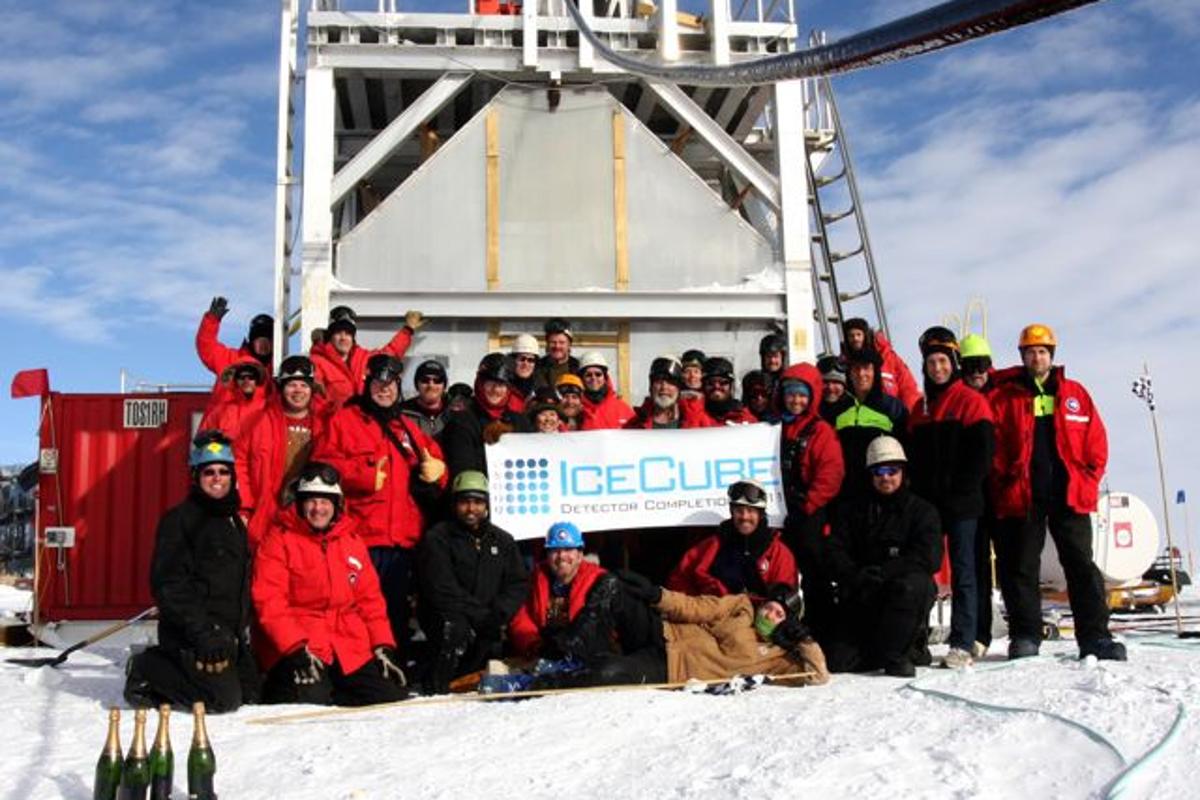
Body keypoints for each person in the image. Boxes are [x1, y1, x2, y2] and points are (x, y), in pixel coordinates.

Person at [989, 324, 1123, 661]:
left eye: (1043, 351)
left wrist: (1089, 480)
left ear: (1052, 355)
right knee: (1022, 567)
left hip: (1069, 496)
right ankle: (1025, 636)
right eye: (1031, 351)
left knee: (1081, 565)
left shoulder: (1076, 394)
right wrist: (1004, 478)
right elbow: (993, 445)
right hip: (1024, 496)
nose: (1037, 357)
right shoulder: (1005, 397)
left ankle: (1095, 638)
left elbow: (1097, 443)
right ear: (1022, 356)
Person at [315, 354, 448, 649]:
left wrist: (438, 472)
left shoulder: (406, 427)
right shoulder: (344, 420)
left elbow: (436, 458)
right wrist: (362, 476)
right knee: (358, 611)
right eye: (378, 383)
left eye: (391, 384)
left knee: (395, 613)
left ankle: (393, 667)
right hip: (361, 538)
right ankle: (359, 668)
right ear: (367, 384)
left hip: (402, 541)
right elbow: (322, 467)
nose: (384, 390)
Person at [123, 431, 259, 713]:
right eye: (209, 472)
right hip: (193, 634)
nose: (217, 478)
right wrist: (203, 631)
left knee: (253, 693)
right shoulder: (180, 521)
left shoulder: (234, 520)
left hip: (227, 635)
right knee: (223, 701)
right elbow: (169, 585)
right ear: (196, 476)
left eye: (224, 471)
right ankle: (148, 668)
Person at [252, 463, 408, 706]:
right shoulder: (279, 540)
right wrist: (294, 648)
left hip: (348, 642)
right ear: (300, 503)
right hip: (303, 645)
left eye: (326, 502)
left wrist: (382, 645)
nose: (318, 509)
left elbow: (370, 601)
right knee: (310, 703)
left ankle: (336, 685)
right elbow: (270, 602)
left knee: (389, 695)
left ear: (336, 506)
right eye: (311, 501)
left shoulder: (351, 541)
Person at [906, 327, 995, 668]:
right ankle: (916, 639)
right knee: (922, 570)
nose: (937, 368)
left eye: (943, 360)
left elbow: (981, 455)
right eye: (931, 361)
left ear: (954, 363)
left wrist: (961, 491)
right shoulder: (921, 408)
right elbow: (913, 456)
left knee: (964, 572)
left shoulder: (971, 402)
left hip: (962, 505)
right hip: (929, 506)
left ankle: (962, 642)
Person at [823, 436, 943, 677]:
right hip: (864, 592)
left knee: (913, 586)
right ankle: (888, 648)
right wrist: (854, 574)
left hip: (901, 593)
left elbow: (929, 556)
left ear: (902, 471)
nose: (885, 477)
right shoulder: (853, 511)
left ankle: (899, 651)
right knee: (838, 661)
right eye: (879, 471)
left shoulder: (922, 511)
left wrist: (889, 572)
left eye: (892, 470)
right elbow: (835, 549)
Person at [417, 471, 529, 693]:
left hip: (490, 619)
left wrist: (500, 612)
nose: (471, 509)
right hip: (451, 618)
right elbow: (441, 587)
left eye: (477, 502)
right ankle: (438, 684)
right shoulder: (438, 538)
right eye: (464, 502)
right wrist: (479, 615)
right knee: (454, 631)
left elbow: (517, 582)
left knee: (491, 653)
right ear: (454, 504)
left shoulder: (502, 540)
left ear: (486, 505)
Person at [777, 363, 844, 644]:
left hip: (808, 514)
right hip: (778, 514)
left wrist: (808, 504)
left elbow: (832, 472)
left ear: (812, 397)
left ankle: (825, 632)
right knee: (781, 576)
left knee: (815, 577)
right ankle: (783, 629)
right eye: (791, 394)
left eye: (802, 395)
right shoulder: (772, 428)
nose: (796, 401)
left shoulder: (820, 431)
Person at [234, 355, 330, 550]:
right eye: (291, 385)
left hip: (309, 515)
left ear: (312, 389)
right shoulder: (259, 422)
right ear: (281, 388)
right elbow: (239, 462)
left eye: (303, 385)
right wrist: (245, 508)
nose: (298, 391)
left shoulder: (325, 425)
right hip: (267, 516)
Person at [666, 480, 797, 600]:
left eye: (751, 511)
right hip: (711, 615)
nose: (745, 516)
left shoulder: (778, 553)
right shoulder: (713, 545)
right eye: (739, 510)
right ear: (732, 512)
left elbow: (784, 600)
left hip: (758, 620)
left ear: (761, 514)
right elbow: (680, 578)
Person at [508, 522, 616, 660]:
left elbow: (607, 625)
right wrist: (533, 645)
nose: (561, 556)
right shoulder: (535, 578)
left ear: (580, 554)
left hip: (587, 654)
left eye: (568, 549)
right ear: (547, 555)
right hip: (544, 653)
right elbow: (522, 617)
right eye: (555, 550)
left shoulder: (600, 580)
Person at [958, 332, 998, 654]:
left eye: (981, 365)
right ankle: (979, 633)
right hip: (974, 498)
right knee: (975, 566)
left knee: (1014, 567)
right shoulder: (958, 401)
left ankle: (1025, 632)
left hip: (1005, 493)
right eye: (969, 365)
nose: (976, 372)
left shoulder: (1003, 396)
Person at [828, 346, 907, 502]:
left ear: (875, 372)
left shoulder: (892, 407)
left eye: (866, 368)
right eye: (856, 368)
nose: (861, 374)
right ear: (849, 373)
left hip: (881, 489)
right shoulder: (838, 409)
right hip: (846, 491)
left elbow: (906, 448)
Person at [309, 304, 425, 409]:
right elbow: (315, 402)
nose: (343, 338)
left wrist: (407, 330)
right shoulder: (317, 362)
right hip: (336, 427)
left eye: (348, 333)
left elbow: (391, 352)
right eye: (338, 333)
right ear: (330, 336)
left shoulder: (364, 358)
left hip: (364, 425)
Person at [442, 353, 534, 475]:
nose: (496, 390)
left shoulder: (520, 422)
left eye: (501, 385)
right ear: (480, 384)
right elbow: (462, 467)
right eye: (490, 383)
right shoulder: (462, 421)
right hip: (478, 490)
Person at [841, 318, 921, 412]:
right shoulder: (842, 364)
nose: (855, 339)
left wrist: (910, 416)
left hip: (891, 416)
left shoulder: (888, 357)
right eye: (851, 336)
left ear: (866, 335)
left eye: (858, 334)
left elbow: (908, 388)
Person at [195, 296, 273, 384]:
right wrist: (211, 320)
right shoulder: (231, 361)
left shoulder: (279, 368)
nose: (263, 346)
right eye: (260, 341)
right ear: (252, 342)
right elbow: (207, 347)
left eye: (267, 342)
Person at [625, 356, 715, 429]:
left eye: (671, 382)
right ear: (651, 387)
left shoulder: (699, 422)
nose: (664, 387)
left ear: (679, 388)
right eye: (658, 381)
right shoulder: (635, 426)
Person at [198, 360, 270, 442]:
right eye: (242, 377)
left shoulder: (268, 409)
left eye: (251, 377)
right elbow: (201, 438)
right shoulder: (221, 411)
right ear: (235, 381)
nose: (246, 381)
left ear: (258, 380)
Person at [578, 351, 636, 430]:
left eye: (598, 374)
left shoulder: (622, 408)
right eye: (588, 375)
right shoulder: (574, 408)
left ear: (605, 378)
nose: (593, 378)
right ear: (582, 379)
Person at [400, 359, 450, 441]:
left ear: (444, 385)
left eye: (437, 380)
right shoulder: (402, 414)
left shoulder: (454, 413)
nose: (431, 385)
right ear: (417, 384)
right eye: (425, 380)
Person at [701, 356, 758, 424]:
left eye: (723, 382)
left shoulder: (743, 417)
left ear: (731, 386)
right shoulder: (696, 414)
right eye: (710, 383)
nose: (716, 387)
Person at [532, 318, 579, 390]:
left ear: (569, 345)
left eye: (562, 342)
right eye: (553, 342)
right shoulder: (537, 368)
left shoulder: (578, 368)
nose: (557, 346)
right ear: (547, 344)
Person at [509, 333, 541, 404]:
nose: (526, 364)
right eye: (522, 359)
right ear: (512, 361)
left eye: (531, 360)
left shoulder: (540, 390)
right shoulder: (503, 387)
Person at [817, 353, 848, 425]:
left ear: (844, 386)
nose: (830, 387)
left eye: (836, 382)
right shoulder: (811, 411)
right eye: (825, 382)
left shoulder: (854, 410)